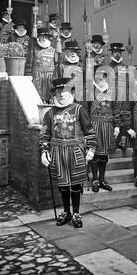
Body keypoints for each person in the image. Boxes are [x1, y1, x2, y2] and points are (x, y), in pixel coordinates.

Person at [39, 76, 97, 228]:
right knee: (63, 185)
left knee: (76, 184)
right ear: (54, 94)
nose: (61, 94)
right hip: (57, 152)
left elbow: (89, 131)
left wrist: (91, 148)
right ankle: (66, 212)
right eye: (58, 91)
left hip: (76, 152)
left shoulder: (79, 110)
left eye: (64, 91)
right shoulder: (49, 114)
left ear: (71, 92)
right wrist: (44, 151)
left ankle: (76, 213)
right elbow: (44, 134)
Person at [88, 69, 120, 192]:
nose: (98, 81)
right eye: (96, 79)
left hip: (107, 126)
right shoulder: (90, 92)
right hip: (94, 126)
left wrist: (117, 126)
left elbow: (116, 110)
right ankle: (95, 179)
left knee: (104, 155)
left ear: (106, 79)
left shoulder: (111, 92)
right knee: (94, 154)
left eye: (101, 79)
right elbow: (85, 111)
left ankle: (102, 179)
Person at [109, 42, 135, 154]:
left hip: (124, 97)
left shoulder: (125, 67)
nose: (117, 54)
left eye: (119, 52)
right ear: (112, 53)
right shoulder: (108, 68)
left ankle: (124, 144)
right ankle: (113, 145)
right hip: (112, 98)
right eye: (115, 52)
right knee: (114, 118)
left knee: (125, 116)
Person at [25, 26, 55, 103]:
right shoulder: (33, 49)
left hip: (50, 77)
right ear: (38, 37)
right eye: (42, 37)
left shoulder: (53, 50)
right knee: (37, 98)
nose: (44, 39)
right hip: (37, 76)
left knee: (50, 98)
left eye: (46, 37)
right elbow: (29, 62)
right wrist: (28, 74)